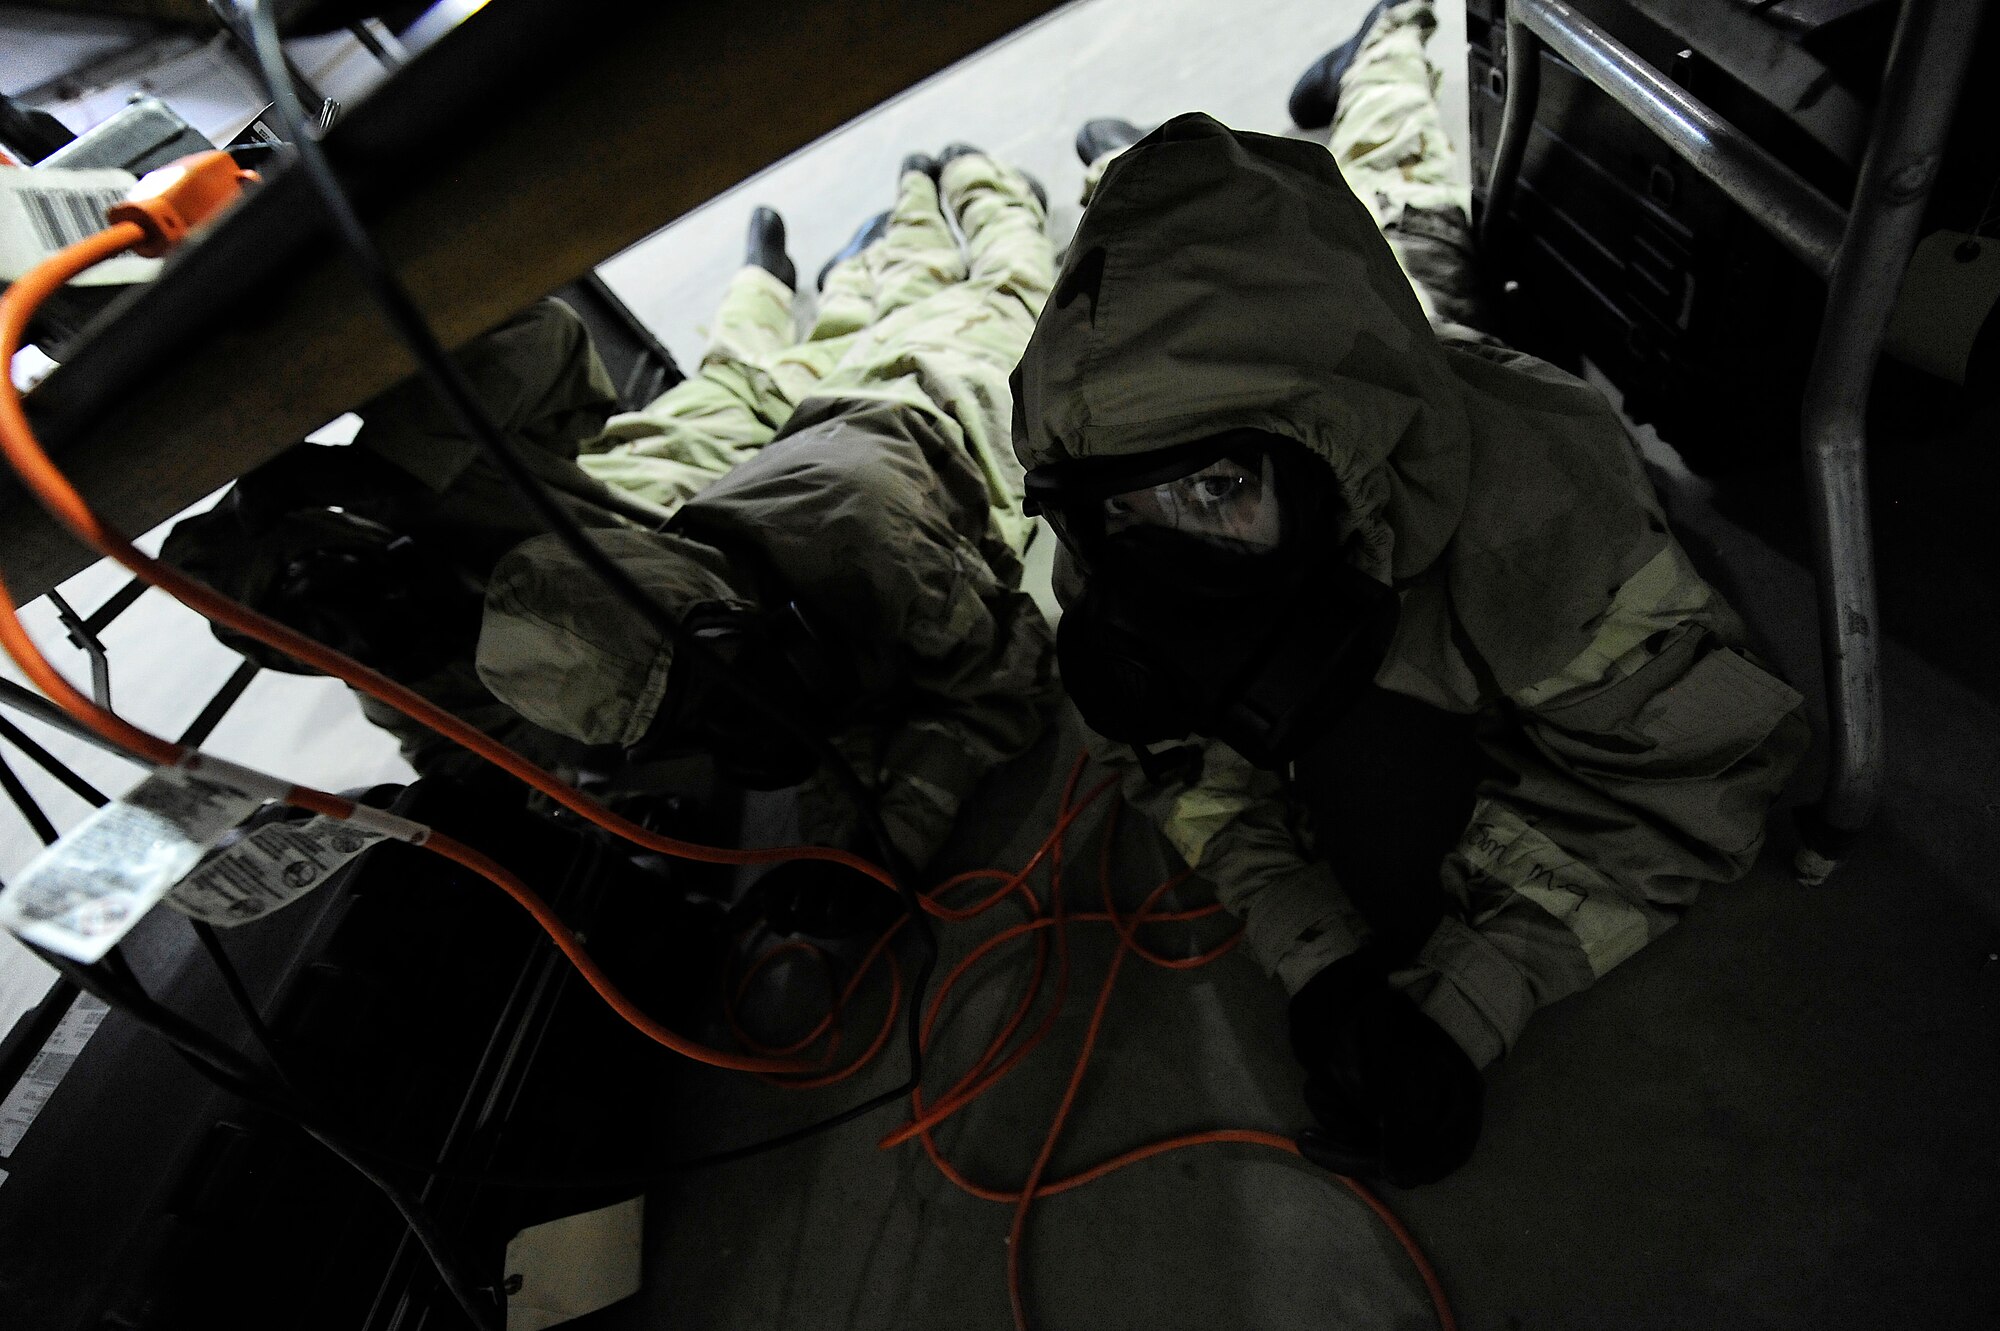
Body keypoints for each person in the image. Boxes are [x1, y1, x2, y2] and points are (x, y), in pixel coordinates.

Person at [1015, 0, 1810, 1186]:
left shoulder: (1539, 514)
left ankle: (1387, 41)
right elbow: (1175, 766)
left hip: (1424, 353)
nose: (1163, 563)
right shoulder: (1101, 512)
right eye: (1131, 513)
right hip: (1292, 387)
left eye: (1217, 489)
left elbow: (1689, 780)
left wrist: (1472, 996)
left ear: (1325, 460)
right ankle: (1116, 166)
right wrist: (1317, 953)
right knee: (1159, 284)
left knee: (1401, 196)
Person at [166, 145, 1061, 892]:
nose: (367, 627)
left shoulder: (436, 482)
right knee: (831, 344)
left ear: (355, 532)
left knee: (792, 362)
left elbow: (542, 338)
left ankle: (910, 207)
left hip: (689, 487)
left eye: (339, 591)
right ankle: (852, 262)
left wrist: (387, 465)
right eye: (327, 639)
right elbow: (475, 761)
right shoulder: (407, 676)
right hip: (737, 507)